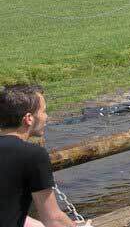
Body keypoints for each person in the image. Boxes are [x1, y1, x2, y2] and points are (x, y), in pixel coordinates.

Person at [1, 85, 90, 227]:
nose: (46, 117)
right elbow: (53, 219)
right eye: (43, 111)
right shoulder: (33, 154)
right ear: (29, 119)